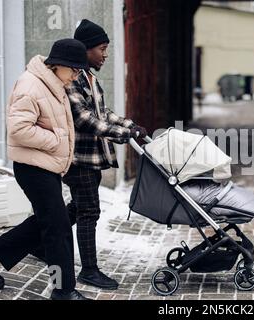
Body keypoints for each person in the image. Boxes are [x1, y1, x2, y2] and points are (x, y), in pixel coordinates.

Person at [0, 39, 98, 300]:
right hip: (32, 168)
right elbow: (19, 129)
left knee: (47, 222)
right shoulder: (31, 85)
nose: (76, 75)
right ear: (58, 65)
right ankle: (63, 290)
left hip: (45, 166)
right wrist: (58, 140)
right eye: (75, 70)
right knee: (58, 229)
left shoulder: (54, 84)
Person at [58, 19, 147, 290]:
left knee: (75, 209)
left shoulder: (91, 79)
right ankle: (89, 270)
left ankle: (36, 239)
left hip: (93, 158)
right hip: (80, 159)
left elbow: (102, 113)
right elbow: (84, 119)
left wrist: (130, 125)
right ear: (85, 49)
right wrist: (122, 135)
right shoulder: (71, 79)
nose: (105, 55)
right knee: (89, 211)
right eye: (102, 48)